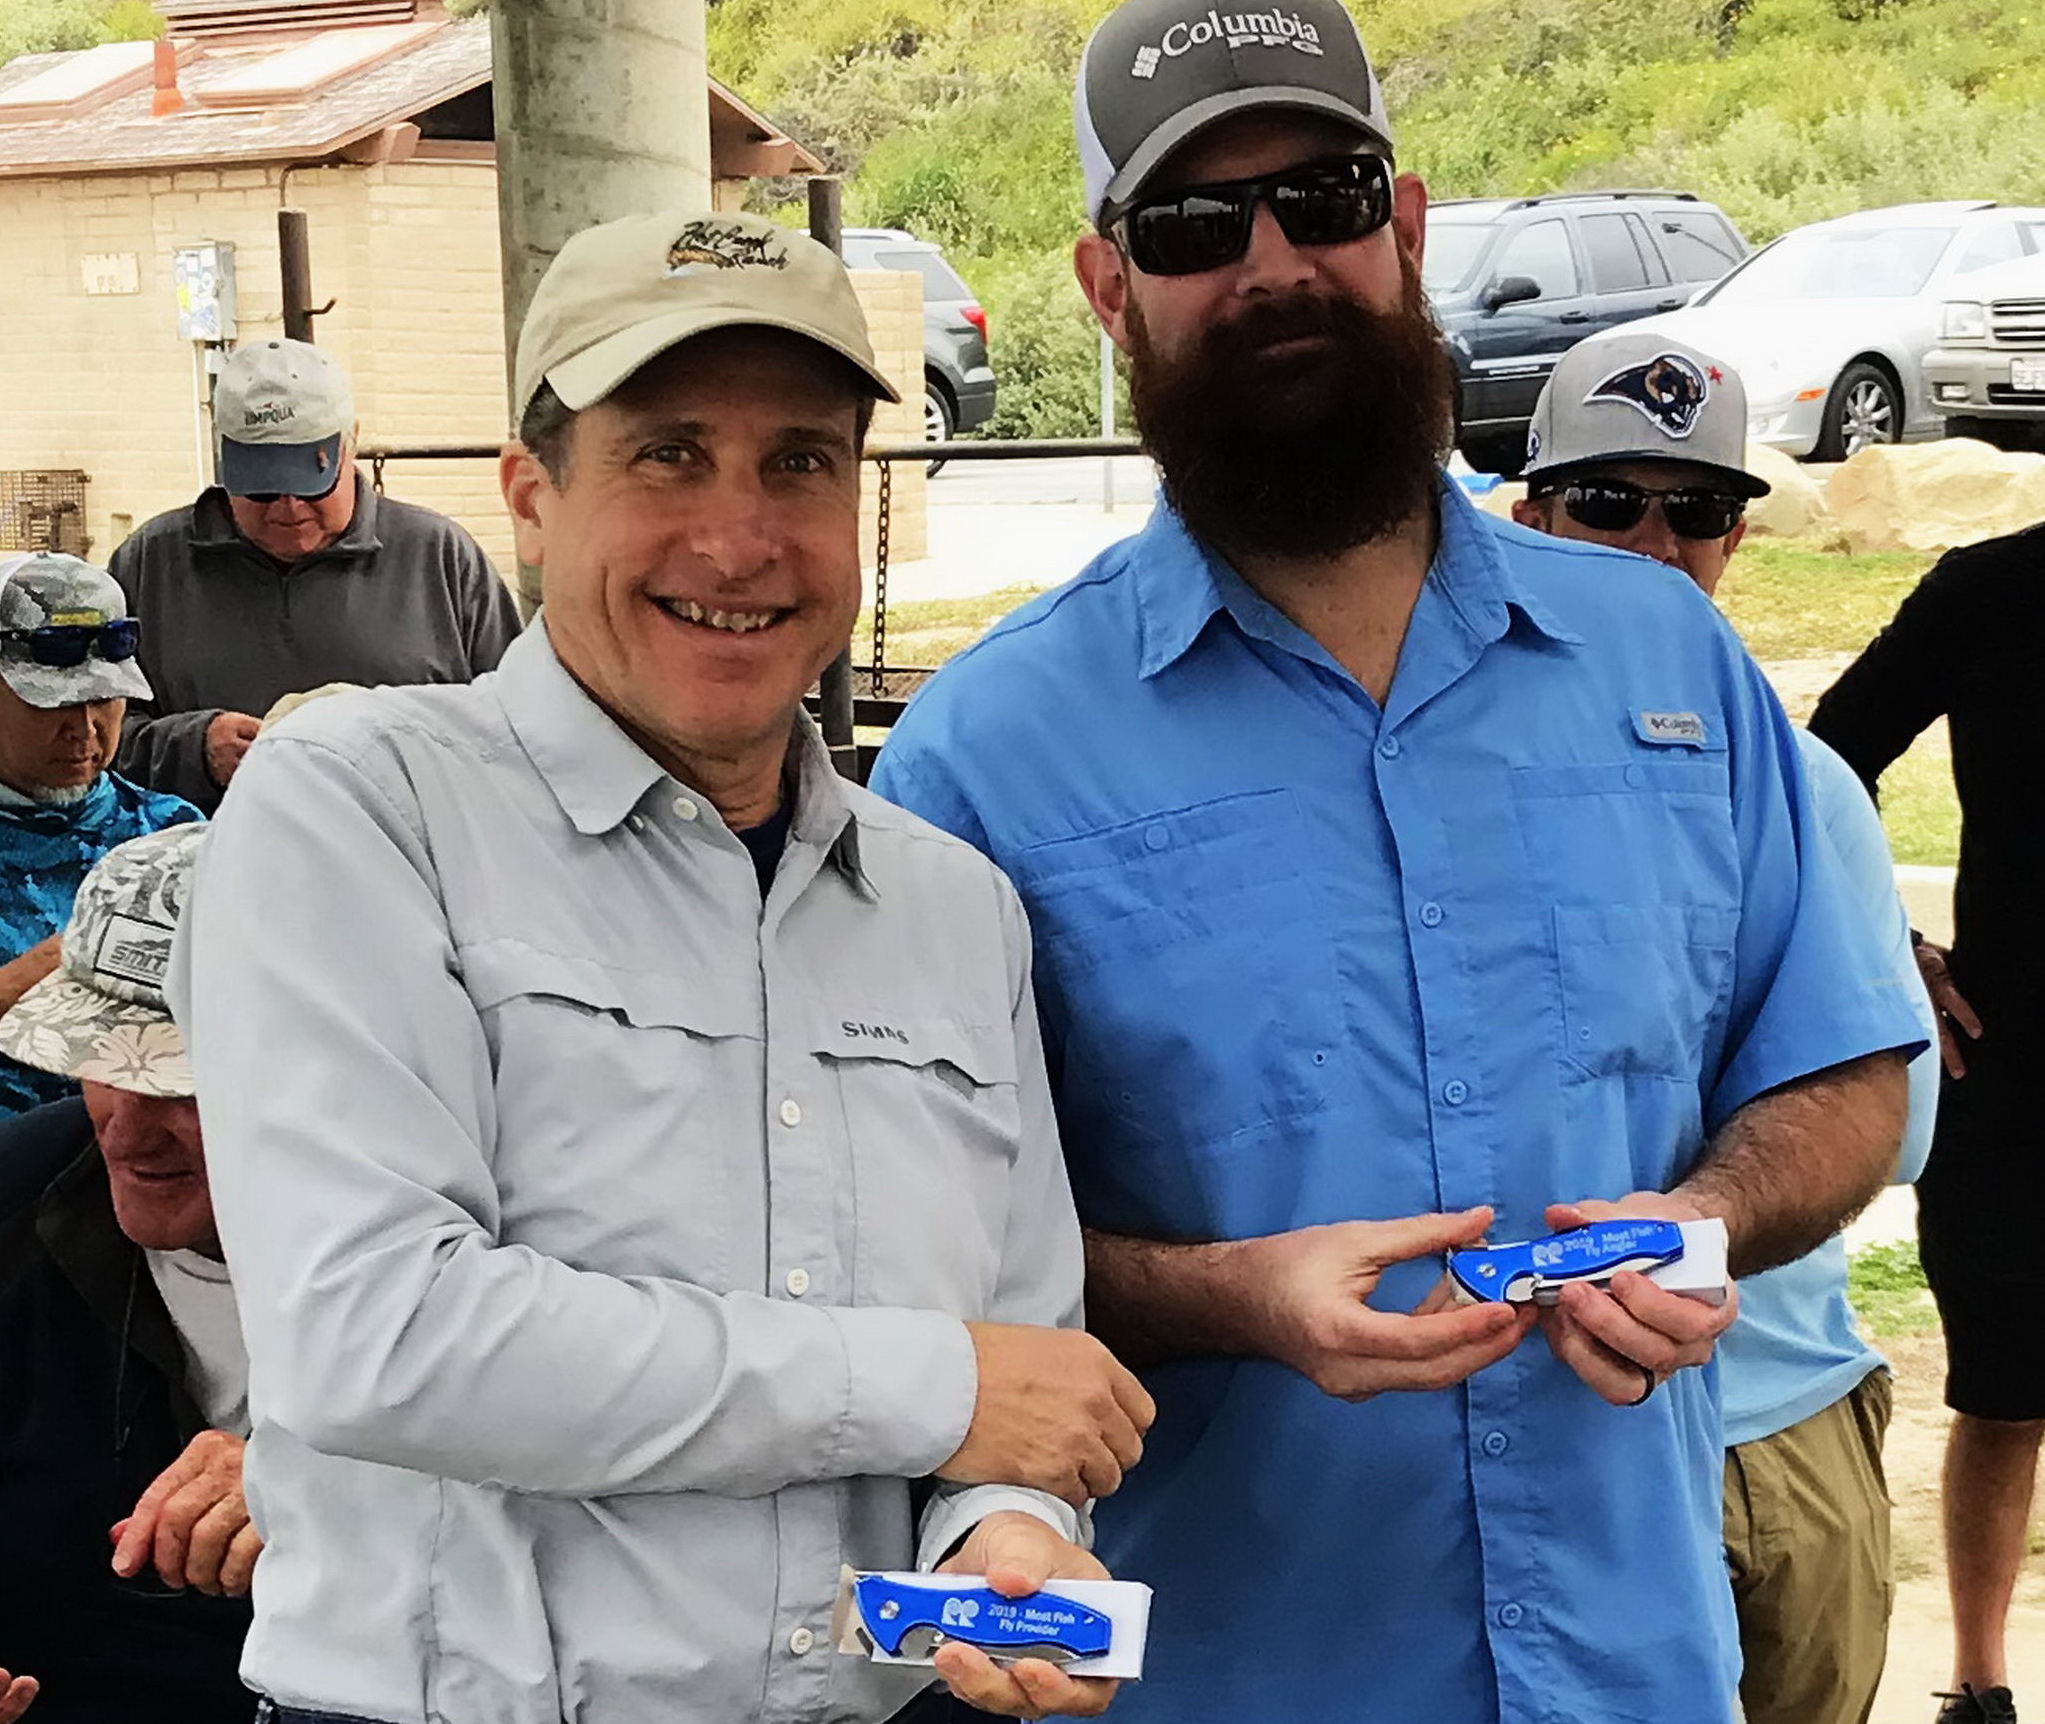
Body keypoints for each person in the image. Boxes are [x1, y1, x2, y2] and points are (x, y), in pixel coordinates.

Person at [868, 1, 1927, 1717]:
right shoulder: (981, 759)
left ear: (1409, 226)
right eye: (1197, 227)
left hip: (1634, 1664)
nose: (1277, 260)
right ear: (1104, 286)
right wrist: (1227, 1296)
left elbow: (1842, 1063)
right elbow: (915, 1246)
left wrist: (1713, 1212)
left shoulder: (1673, 663)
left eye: (1327, 195)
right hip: (1223, 1672)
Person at [172, 210, 1152, 1724]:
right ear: (531, 500)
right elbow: (377, 1337)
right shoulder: (363, 807)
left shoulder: (956, 910)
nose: (740, 538)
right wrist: (937, 1386)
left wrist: (1010, 1535)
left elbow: (1017, 1365)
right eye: (668, 453)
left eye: (800, 463)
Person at [1512, 329, 1939, 1724]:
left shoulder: (1805, 782)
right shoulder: (1465, 785)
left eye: (1696, 509)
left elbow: (1904, 1130)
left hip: (1784, 1411)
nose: (1655, 542)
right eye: (1606, 503)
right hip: (1574, 1435)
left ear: (1739, 536)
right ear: (1530, 517)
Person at [1810, 507, 2045, 1724]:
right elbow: (1824, 762)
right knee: (2002, 1391)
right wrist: (1889, 947)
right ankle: (1978, 1681)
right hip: (2004, 1072)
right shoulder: (1987, 590)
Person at [0, 823, 257, 1724]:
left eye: (186, 1088)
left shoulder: (493, 1241)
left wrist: (340, 1480)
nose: (127, 1130)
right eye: (100, 1067)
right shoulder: (20, 1194)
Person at [108, 338, 521, 812]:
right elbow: (84, 741)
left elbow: (516, 728)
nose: (288, 507)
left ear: (351, 444)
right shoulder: (149, 566)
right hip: (216, 859)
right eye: (263, 487)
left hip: (413, 859)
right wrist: (191, 750)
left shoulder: (441, 560)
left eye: (311, 480)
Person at [0, 552, 200, 1117]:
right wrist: (45, 972)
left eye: (104, 700)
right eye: (53, 703)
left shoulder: (172, 835)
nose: (85, 730)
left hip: (161, 1150)